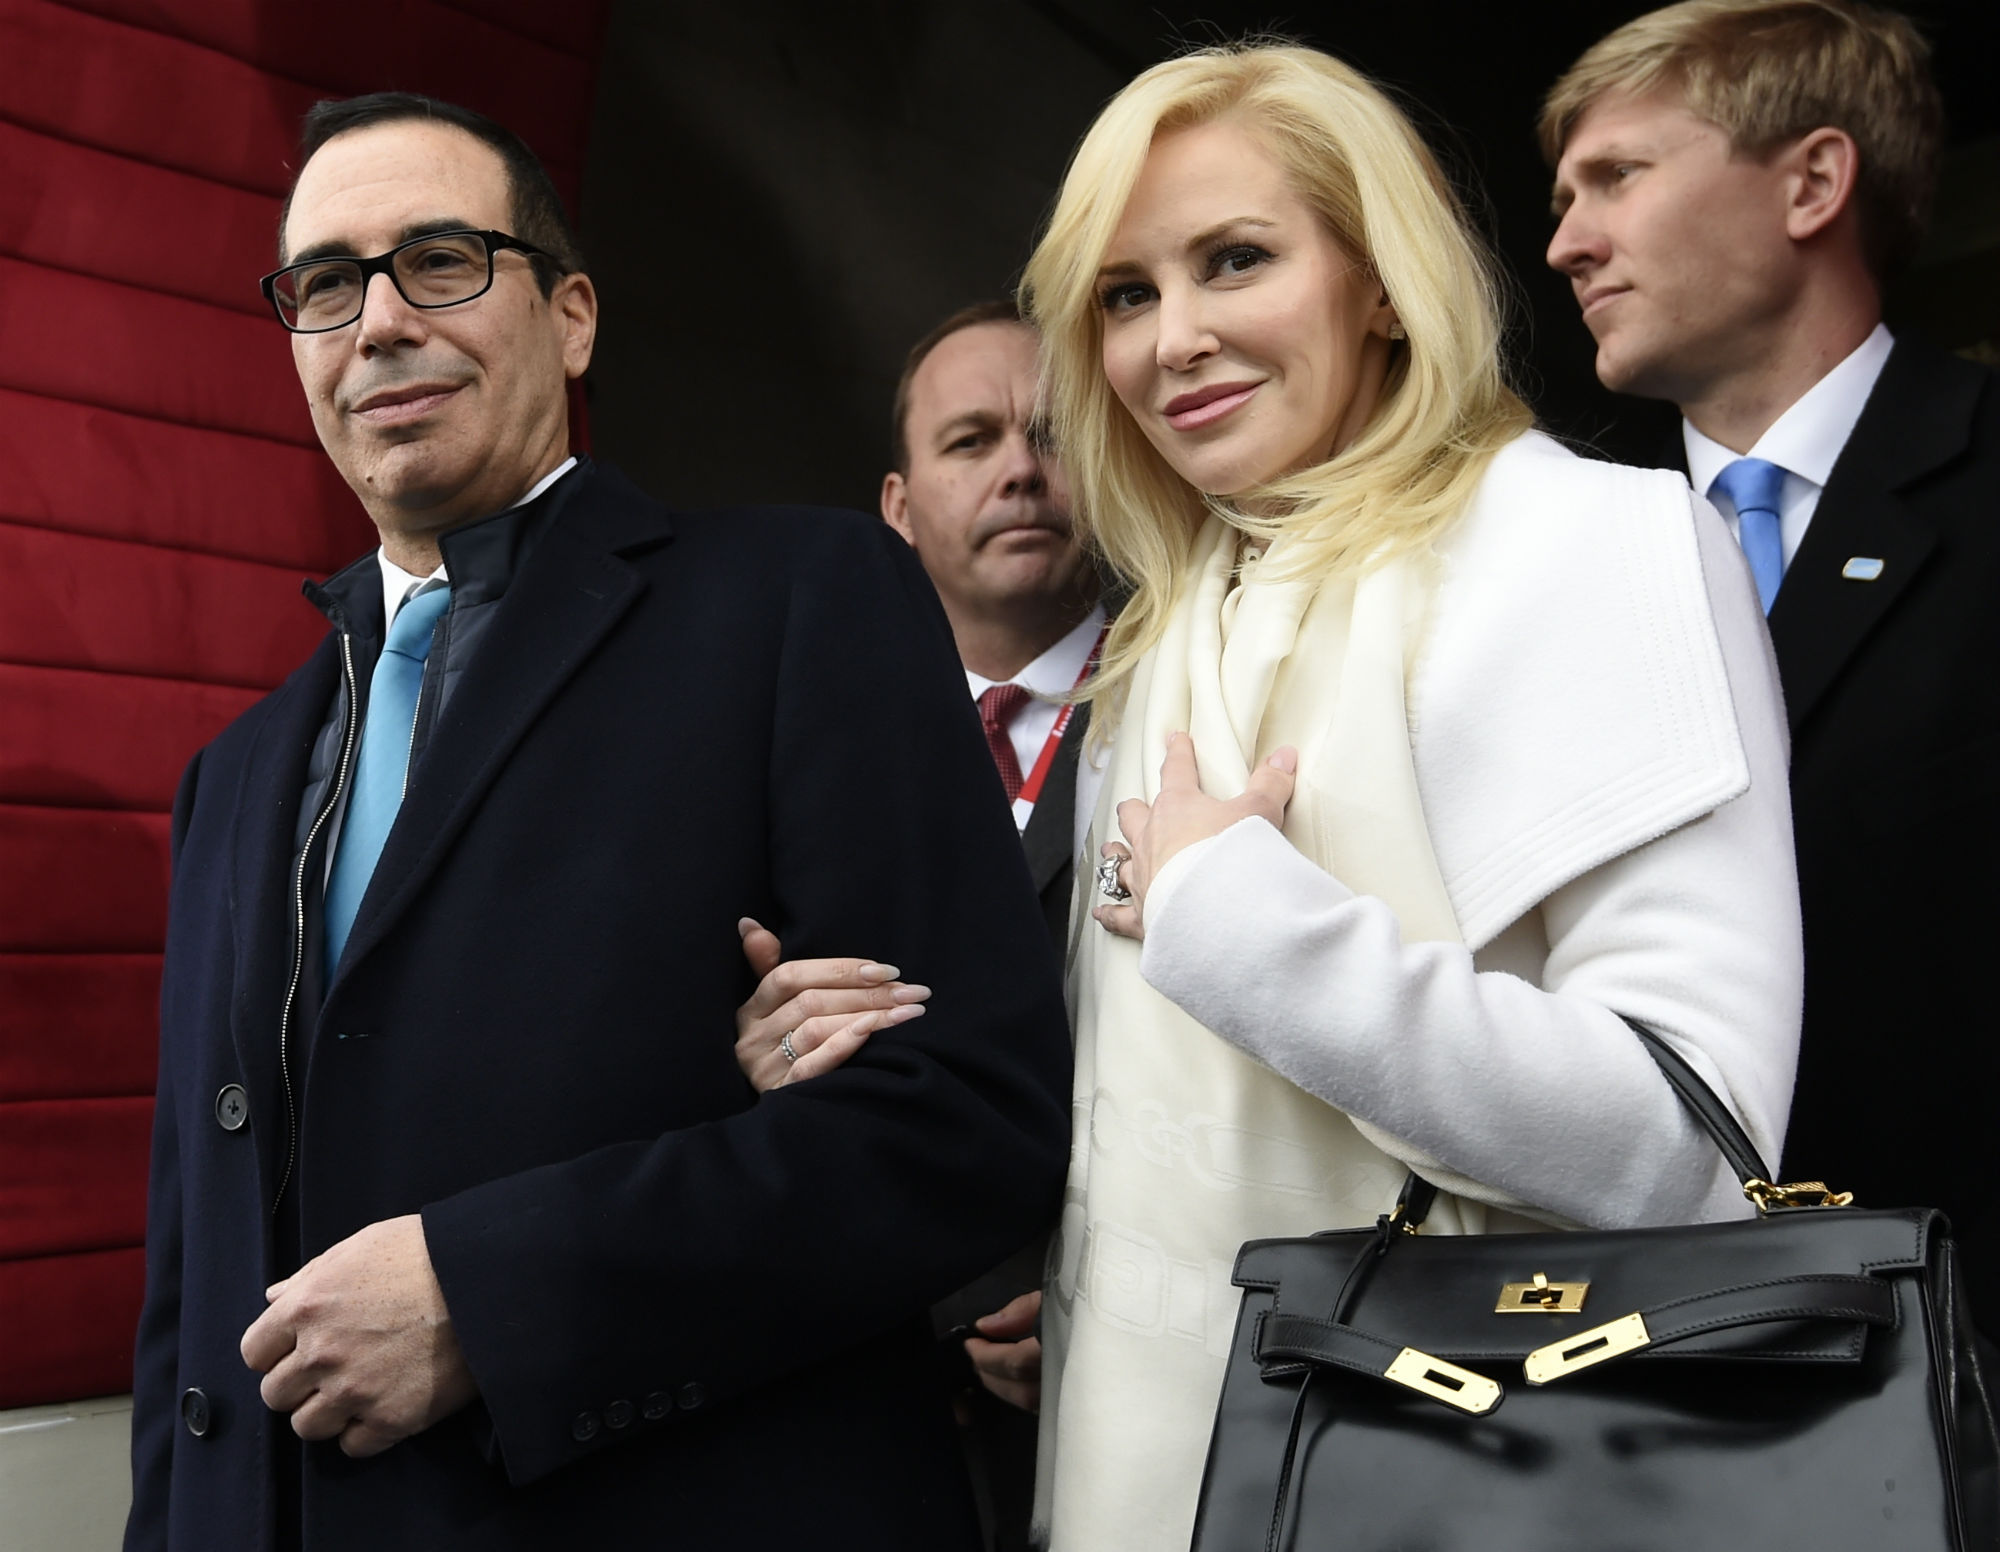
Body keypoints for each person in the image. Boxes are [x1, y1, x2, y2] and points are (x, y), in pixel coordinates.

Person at [738, 42, 1803, 1551]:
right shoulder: (1168, 626)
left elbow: (1688, 1150)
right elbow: (1179, 1125)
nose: (1174, 340)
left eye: (1235, 260)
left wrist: (1237, 920)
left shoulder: (1590, 543)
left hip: (1483, 1495)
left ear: (1379, 276)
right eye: (1126, 294)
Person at [126, 92, 1071, 1552]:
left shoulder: (803, 602)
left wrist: (483, 1295)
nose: (377, 322)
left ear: (572, 317)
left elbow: (967, 1121)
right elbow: (187, 1299)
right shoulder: (234, 778)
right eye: (326, 284)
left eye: (440, 259)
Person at [1543, 0, 2000, 1330]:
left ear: (1811, 181)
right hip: (1616, 1363)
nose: (1568, 242)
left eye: (1616, 177)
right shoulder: (1543, 547)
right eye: (1566, 196)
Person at [735, 301, 1099, 1552]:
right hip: (863, 1405)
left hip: (1133, 1388)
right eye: (970, 439)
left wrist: (1114, 1299)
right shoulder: (784, 749)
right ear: (896, 506)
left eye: (1053, 434)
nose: (1018, 467)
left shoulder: (1207, 697)